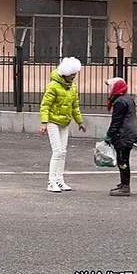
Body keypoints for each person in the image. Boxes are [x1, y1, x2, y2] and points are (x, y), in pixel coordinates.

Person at [40, 57, 86, 193]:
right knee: (57, 151)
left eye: (75, 74)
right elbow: (45, 105)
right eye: (72, 74)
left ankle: (59, 180)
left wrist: (80, 122)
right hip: (53, 121)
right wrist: (44, 122)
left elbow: (75, 106)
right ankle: (51, 181)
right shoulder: (53, 86)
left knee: (63, 152)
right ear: (65, 74)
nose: (74, 77)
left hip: (65, 122)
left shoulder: (72, 87)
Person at [104, 77, 137, 197]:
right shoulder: (128, 99)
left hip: (123, 135)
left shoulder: (119, 102)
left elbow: (116, 122)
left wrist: (109, 135)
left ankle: (125, 186)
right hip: (129, 133)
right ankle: (124, 183)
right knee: (124, 160)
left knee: (122, 161)